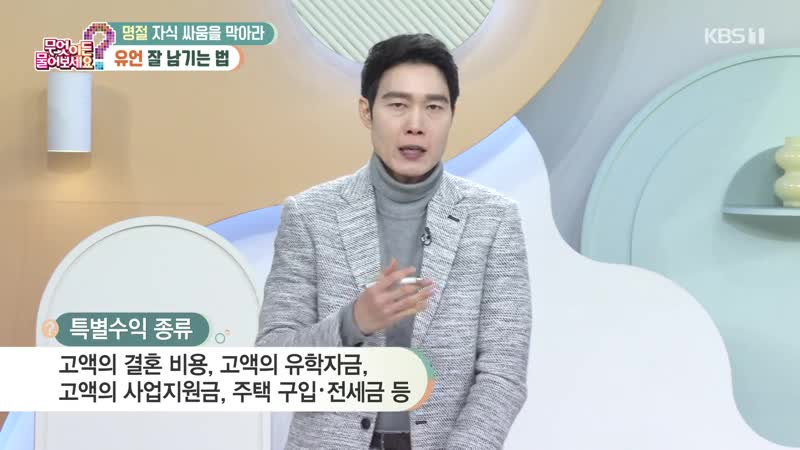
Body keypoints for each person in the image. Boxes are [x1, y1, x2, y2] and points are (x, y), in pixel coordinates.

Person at [256, 33, 532, 450]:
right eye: (398, 105)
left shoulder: (494, 219)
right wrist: (354, 322)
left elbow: (503, 373)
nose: (416, 124)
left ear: (452, 114)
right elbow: (272, 367)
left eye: (434, 107)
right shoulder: (310, 215)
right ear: (366, 112)